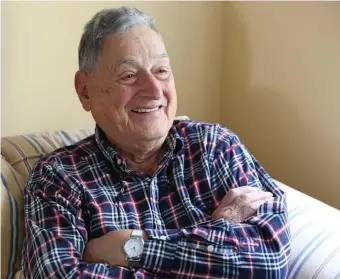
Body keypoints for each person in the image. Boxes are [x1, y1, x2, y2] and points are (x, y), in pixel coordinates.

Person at [22, 7, 291, 279]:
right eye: (128, 75)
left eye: (161, 70)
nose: (154, 90)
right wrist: (218, 235)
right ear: (85, 90)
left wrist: (132, 247)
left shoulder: (215, 146)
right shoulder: (60, 178)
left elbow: (270, 261)